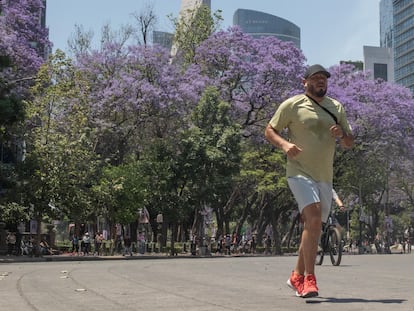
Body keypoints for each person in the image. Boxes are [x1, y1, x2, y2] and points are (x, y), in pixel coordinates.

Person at [265, 64, 354, 298]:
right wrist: (284, 145)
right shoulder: (292, 105)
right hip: (299, 171)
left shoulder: (336, 107)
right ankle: (308, 280)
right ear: (304, 82)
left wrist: (341, 135)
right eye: (315, 78)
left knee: (313, 228)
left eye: (323, 79)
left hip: (324, 176)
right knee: (313, 219)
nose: (320, 82)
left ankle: (296, 274)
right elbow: (270, 130)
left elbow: (349, 143)